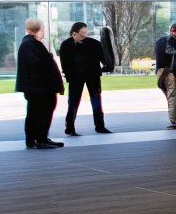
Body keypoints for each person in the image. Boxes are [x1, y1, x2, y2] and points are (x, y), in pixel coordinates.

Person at [14, 17, 64, 149]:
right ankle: (39, 139)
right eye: (43, 29)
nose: (44, 32)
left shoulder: (30, 44)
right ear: (38, 30)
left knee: (36, 113)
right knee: (40, 113)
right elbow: (37, 67)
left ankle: (37, 138)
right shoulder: (30, 45)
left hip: (38, 88)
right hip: (39, 88)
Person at [57, 22, 113, 136]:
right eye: (82, 33)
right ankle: (70, 127)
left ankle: (100, 126)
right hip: (75, 78)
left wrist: (107, 64)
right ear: (74, 33)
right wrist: (68, 76)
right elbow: (64, 64)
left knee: (96, 100)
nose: (85, 35)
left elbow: (103, 58)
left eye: (85, 32)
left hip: (93, 77)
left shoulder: (94, 44)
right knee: (73, 102)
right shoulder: (65, 45)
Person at [155, 22, 176, 129]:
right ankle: (174, 121)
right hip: (170, 72)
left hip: (160, 72)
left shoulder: (160, 40)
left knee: (170, 96)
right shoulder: (175, 41)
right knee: (173, 96)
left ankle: (173, 118)